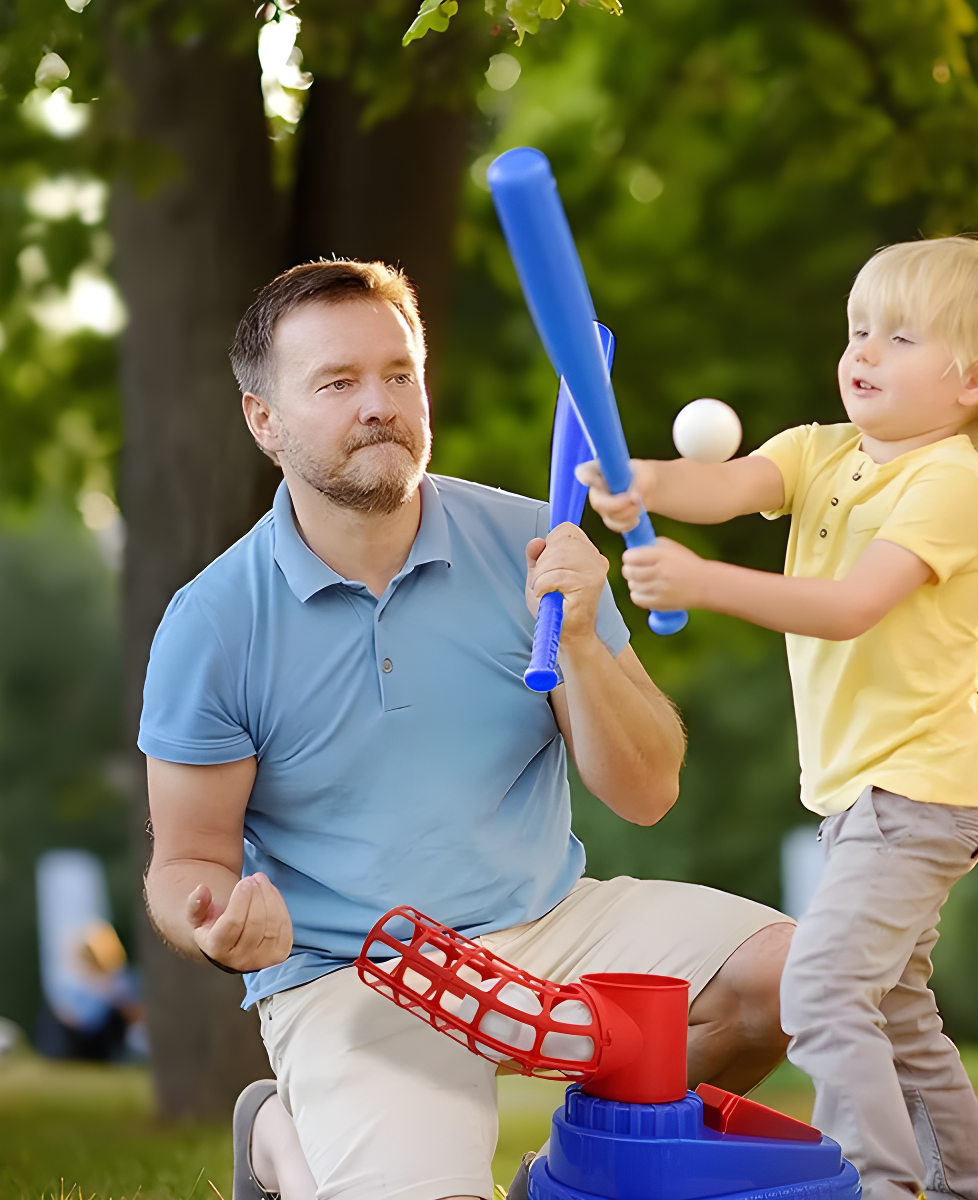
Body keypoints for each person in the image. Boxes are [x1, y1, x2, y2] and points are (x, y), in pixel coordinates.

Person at [138, 259, 796, 1200]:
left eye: (398, 373)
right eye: (337, 382)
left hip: (551, 924)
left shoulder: (535, 542)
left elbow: (648, 793)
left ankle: (586, 1173)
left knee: (799, 976)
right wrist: (212, 925)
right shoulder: (213, 622)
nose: (379, 404)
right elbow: (187, 861)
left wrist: (577, 642)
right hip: (357, 972)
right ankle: (283, 1138)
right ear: (264, 421)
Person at [581, 236, 978, 1200]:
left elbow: (848, 606)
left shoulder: (951, 484)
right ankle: (968, 1185)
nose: (863, 353)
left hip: (918, 791)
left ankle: (875, 1185)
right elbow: (725, 483)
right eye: (858, 330)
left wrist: (702, 582)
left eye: (900, 336)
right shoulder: (820, 451)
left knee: (824, 991)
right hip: (863, 798)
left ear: (977, 379)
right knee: (899, 1011)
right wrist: (640, 480)